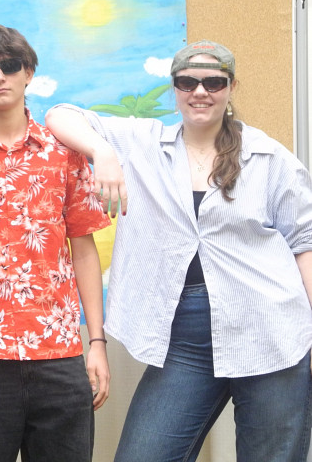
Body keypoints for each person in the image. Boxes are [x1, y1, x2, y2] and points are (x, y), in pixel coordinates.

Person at [45, 40, 312, 462]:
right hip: (183, 339)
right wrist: (102, 151)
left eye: (213, 82)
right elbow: (59, 115)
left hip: (270, 330)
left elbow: (305, 243)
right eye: (187, 82)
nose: (200, 91)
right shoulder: (143, 142)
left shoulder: (268, 157)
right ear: (175, 88)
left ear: (231, 87)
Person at [0, 24, 111, 462]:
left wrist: (96, 343)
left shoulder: (64, 153)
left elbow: (83, 250)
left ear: (28, 72)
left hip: (60, 352)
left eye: (9, 66)